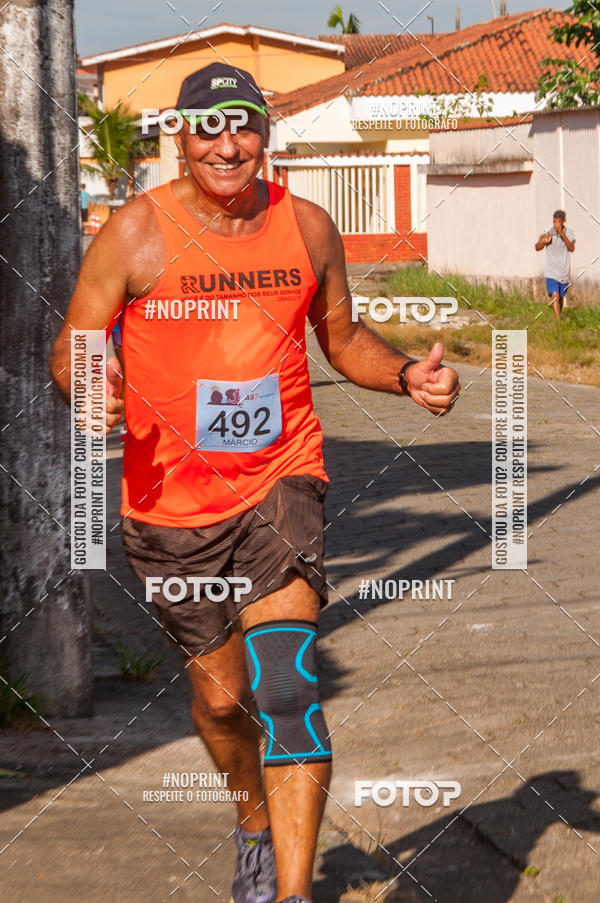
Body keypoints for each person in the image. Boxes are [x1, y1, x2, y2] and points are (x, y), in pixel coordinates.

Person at [49, 62, 460, 903]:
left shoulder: (306, 227)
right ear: (181, 138)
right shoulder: (134, 234)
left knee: (289, 689)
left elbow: (341, 336)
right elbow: (73, 347)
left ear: (265, 134)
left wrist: (406, 376)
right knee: (223, 703)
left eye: (243, 125)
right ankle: (251, 823)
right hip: (167, 506)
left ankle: (292, 892)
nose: (228, 144)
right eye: (209, 127)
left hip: (282, 481)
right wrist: (94, 387)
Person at [535, 209, 576, 320]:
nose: (556, 224)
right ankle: (558, 323)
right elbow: (537, 247)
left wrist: (562, 235)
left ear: (564, 221)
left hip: (564, 272)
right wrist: (544, 241)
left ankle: (558, 315)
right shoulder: (547, 231)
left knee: (561, 297)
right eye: (554, 222)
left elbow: (571, 248)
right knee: (555, 295)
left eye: (558, 222)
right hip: (551, 271)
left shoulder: (569, 233)